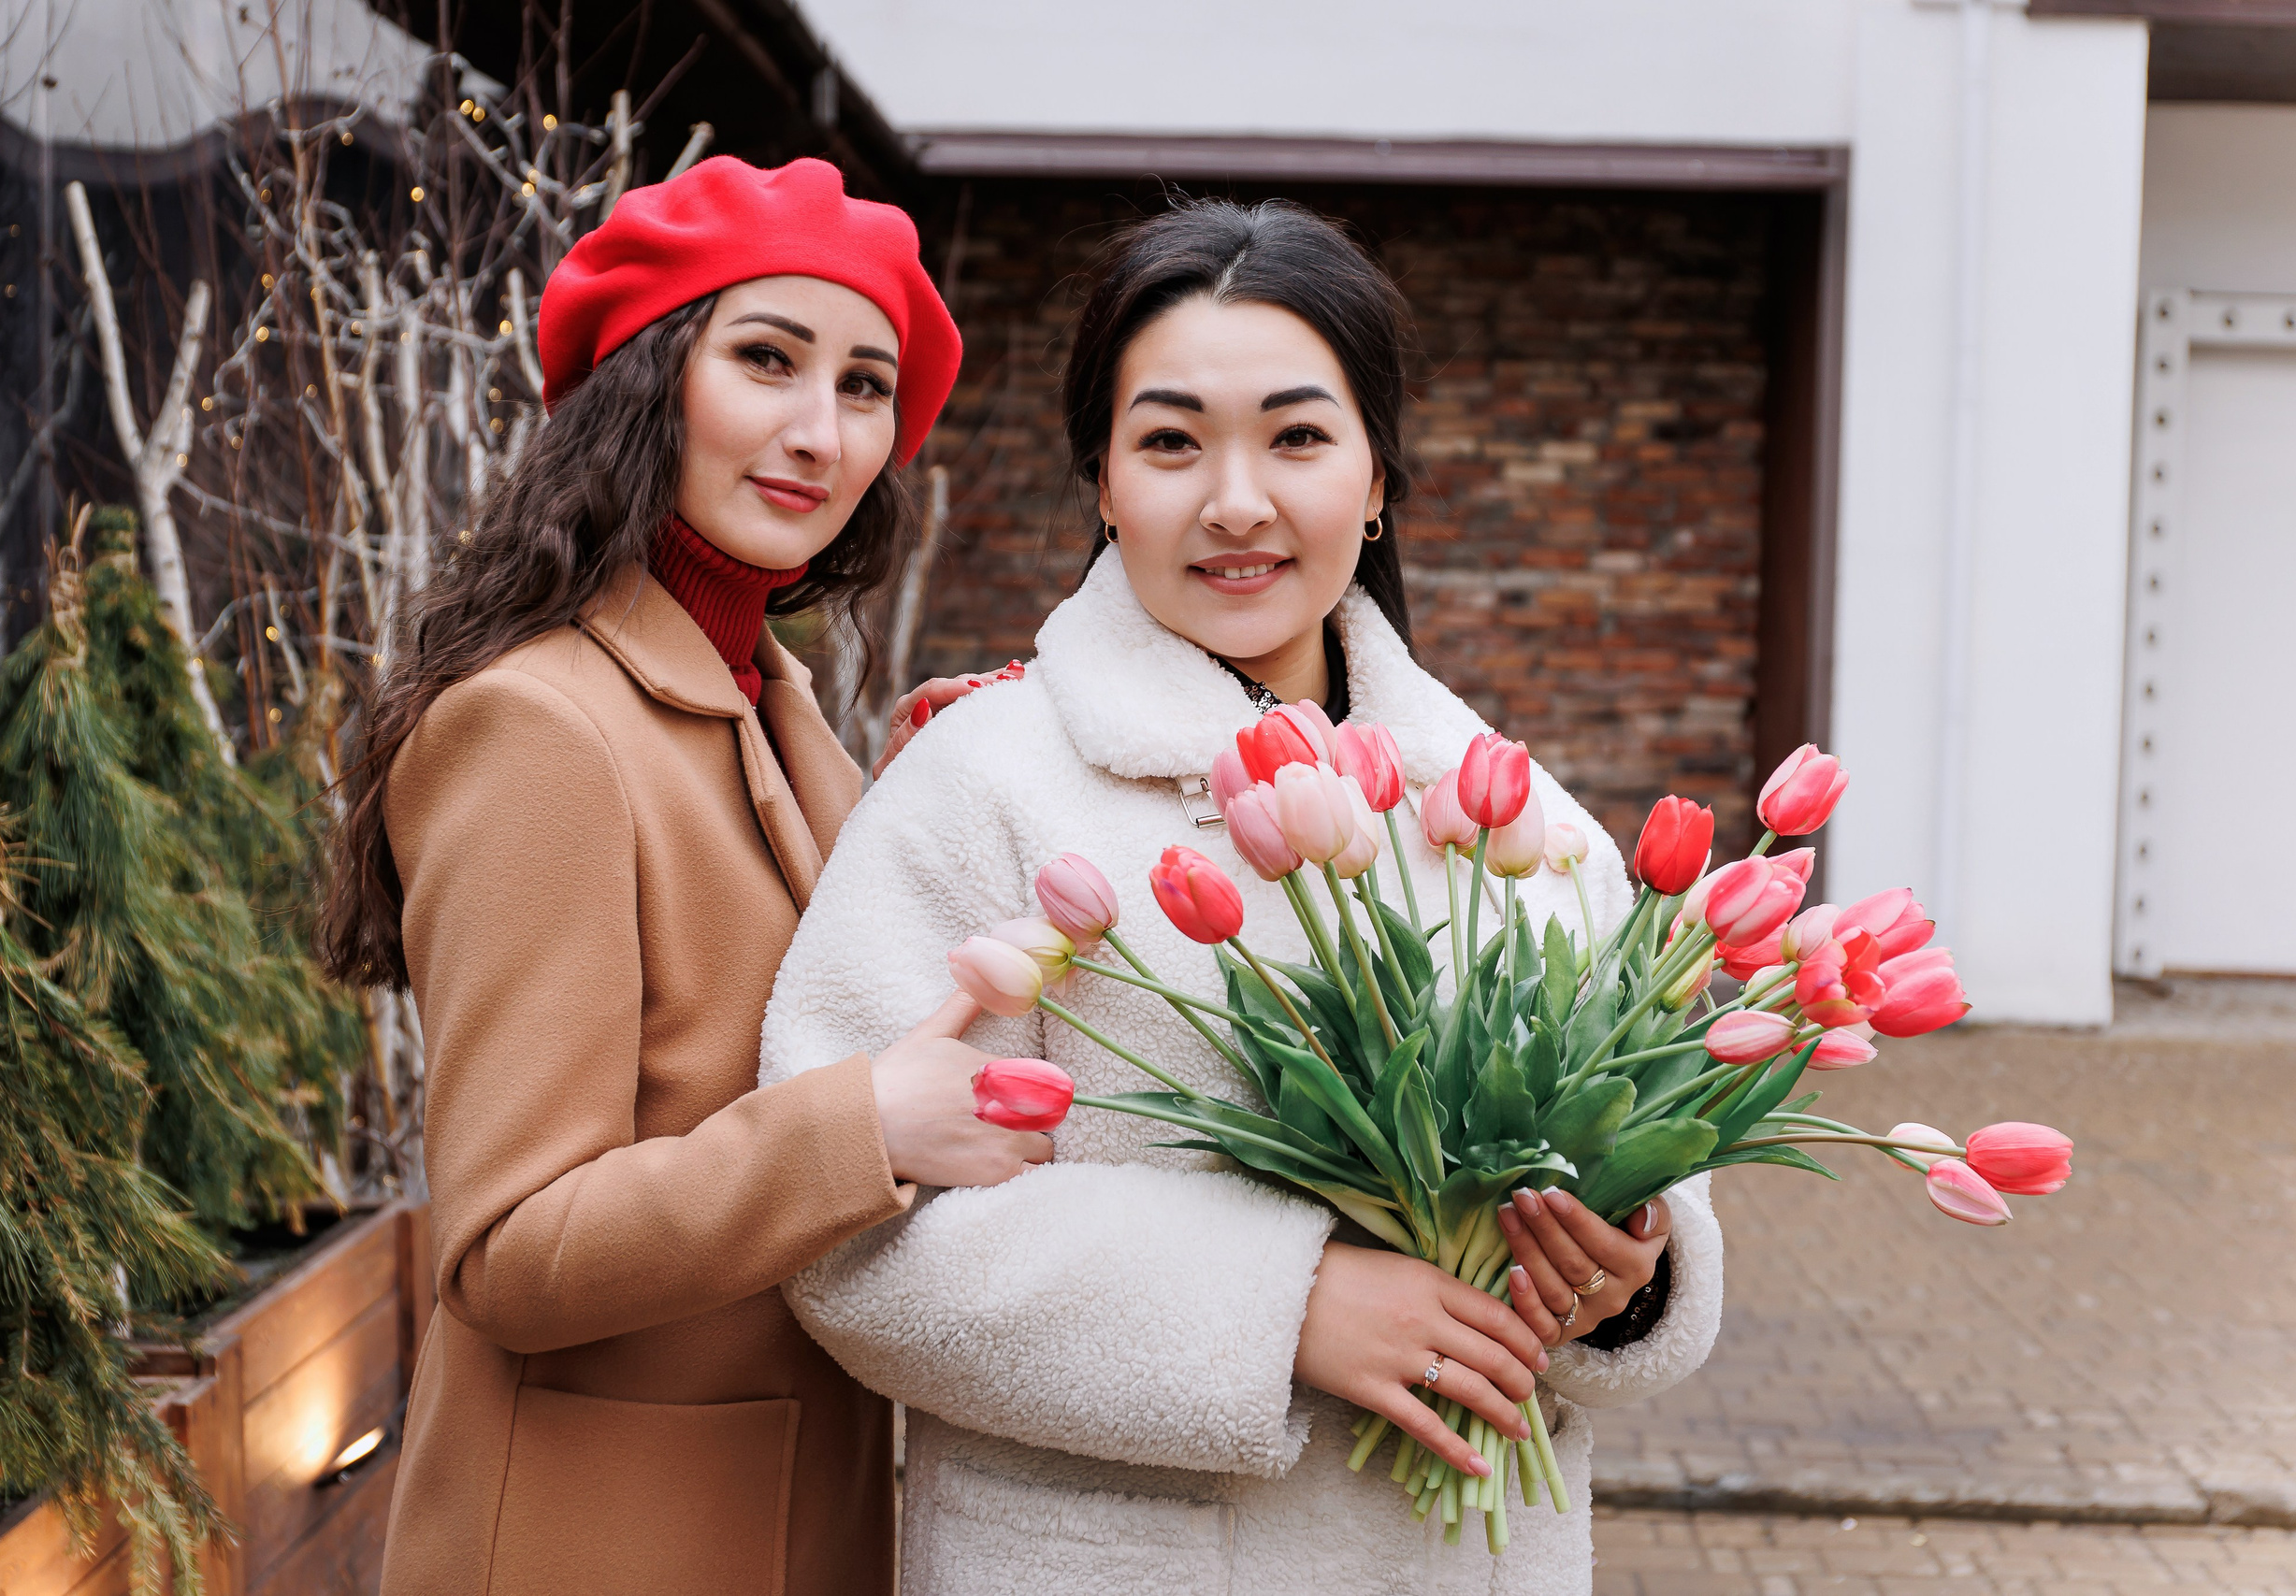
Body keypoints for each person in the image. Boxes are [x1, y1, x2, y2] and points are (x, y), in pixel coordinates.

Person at [758, 198, 1725, 1594]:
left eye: (1297, 438)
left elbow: (1656, 1171)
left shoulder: (1506, 811)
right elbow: (850, 1245)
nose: (1236, 502)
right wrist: (1282, 1306)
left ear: (1377, 478)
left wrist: (1626, 1275)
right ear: (1102, 482)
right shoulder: (980, 787)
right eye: (1170, 442)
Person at [317, 157, 1054, 1596]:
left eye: (863, 386)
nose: (819, 432)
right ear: (646, 387)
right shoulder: (536, 728)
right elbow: (510, 1252)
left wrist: (944, 799)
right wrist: (864, 1131)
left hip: (775, 1514)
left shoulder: (772, 699)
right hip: (594, 1544)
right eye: (767, 359)